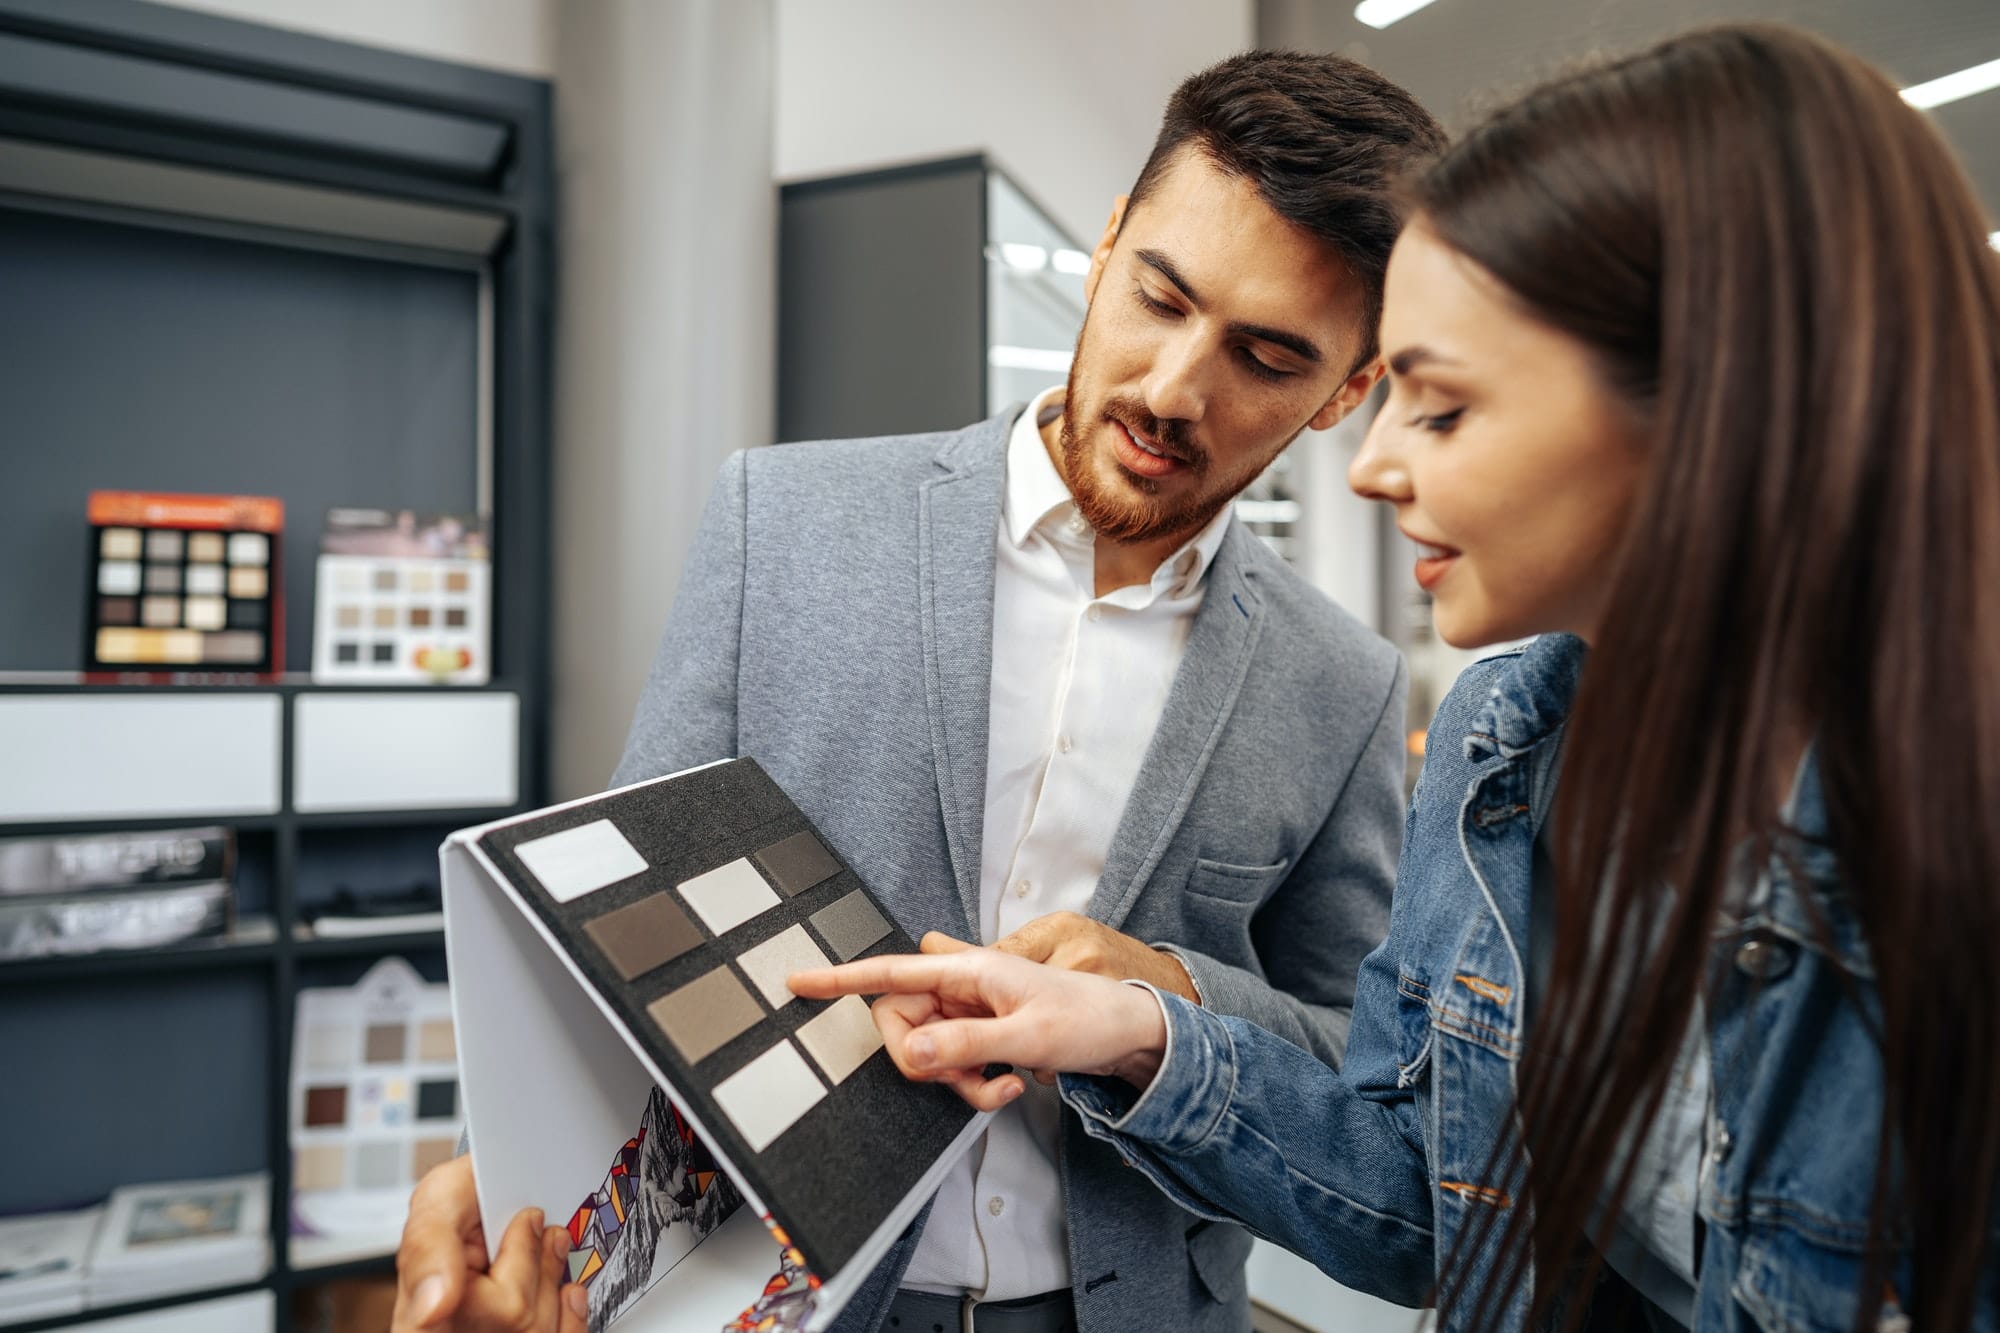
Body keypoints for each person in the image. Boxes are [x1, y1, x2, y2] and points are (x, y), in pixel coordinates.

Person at [794, 23, 2000, 1332]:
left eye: (1440, 405)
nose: (1370, 470)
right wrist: (1122, 1026)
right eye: (1162, 296)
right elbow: (1432, 1188)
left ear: (1710, 402)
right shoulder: (1507, 742)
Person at [392, 51, 1447, 1333]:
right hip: (787, 1299)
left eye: (1265, 357)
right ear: (1107, 243)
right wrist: (516, 1179)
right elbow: (613, 941)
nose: (1174, 389)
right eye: (1157, 298)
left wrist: (1160, 992)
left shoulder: (1337, 682)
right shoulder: (780, 521)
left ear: (1347, 391)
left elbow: (1365, 1072)